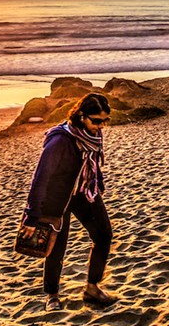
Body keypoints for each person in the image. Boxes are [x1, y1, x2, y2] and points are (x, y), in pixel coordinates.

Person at [20, 93, 116, 310]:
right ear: (81, 116)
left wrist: (97, 184)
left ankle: (92, 287)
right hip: (57, 198)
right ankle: (52, 295)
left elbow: (92, 163)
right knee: (56, 247)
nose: (101, 126)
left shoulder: (93, 135)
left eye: (105, 121)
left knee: (103, 235)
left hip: (84, 193)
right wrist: (31, 215)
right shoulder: (60, 141)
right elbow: (41, 177)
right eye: (96, 121)